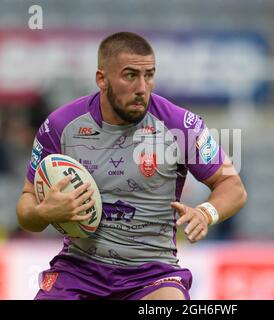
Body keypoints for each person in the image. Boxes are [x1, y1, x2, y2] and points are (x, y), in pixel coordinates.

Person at [16, 32, 247, 300]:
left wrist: (206, 213)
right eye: (130, 75)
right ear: (101, 79)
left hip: (152, 275)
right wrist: (44, 212)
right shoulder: (60, 126)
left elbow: (233, 186)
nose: (142, 87)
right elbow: (26, 209)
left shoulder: (179, 125)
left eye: (149, 75)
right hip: (79, 271)